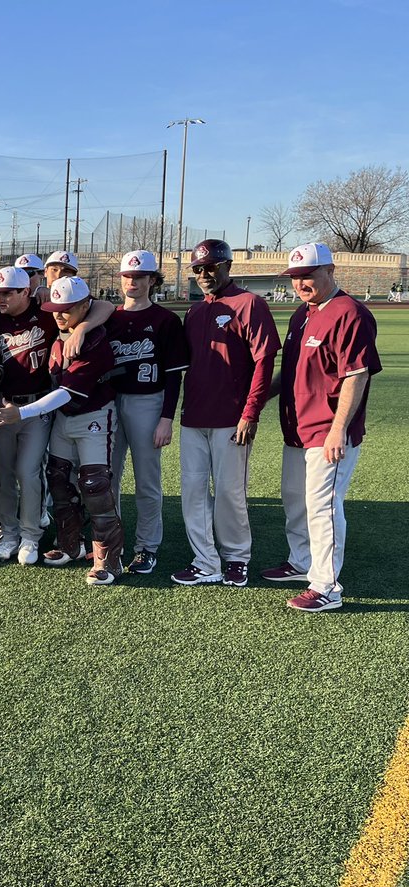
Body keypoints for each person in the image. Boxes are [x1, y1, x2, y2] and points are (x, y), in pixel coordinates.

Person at [263, 243, 381, 612]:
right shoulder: (302, 313)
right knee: (295, 499)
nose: (301, 283)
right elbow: (294, 371)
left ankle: (327, 586)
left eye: (308, 275)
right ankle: (302, 562)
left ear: (330, 270)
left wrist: (337, 429)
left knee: (323, 506)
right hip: (297, 426)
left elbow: (356, 376)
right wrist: (257, 398)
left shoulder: (350, 313)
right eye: (296, 277)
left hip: (328, 431)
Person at [0, 275, 124, 585]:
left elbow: (67, 392)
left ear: (85, 306)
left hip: (92, 416)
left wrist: (20, 413)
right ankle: (69, 544)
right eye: (56, 309)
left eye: (68, 309)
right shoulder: (61, 334)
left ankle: (109, 559)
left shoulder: (94, 340)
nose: (59, 315)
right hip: (61, 418)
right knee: (59, 479)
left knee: (94, 486)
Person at [172, 239, 280, 587]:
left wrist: (251, 413)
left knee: (231, 492)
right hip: (194, 418)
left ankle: (236, 557)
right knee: (192, 490)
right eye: (198, 269)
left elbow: (264, 361)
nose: (205, 274)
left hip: (232, 419)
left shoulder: (250, 304)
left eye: (212, 267)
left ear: (227, 266)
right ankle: (205, 560)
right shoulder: (195, 310)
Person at [106, 250, 189, 575]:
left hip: (148, 403)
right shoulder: (109, 316)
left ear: (153, 280)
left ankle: (146, 547)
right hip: (112, 402)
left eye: (140, 277)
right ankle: (110, 542)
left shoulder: (165, 320)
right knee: (106, 478)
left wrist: (167, 418)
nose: (132, 282)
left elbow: (174, 373)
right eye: (128, 276)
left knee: (147, 481)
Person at [0, 265, 58, 564]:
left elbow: (100, 308)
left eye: (7, 293)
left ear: (25, 291)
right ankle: (9, 533)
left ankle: (30, 536)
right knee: (2, 474)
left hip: (36, 406)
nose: (0, 299)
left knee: (27, 472)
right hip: (3, 406)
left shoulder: (46, 315)